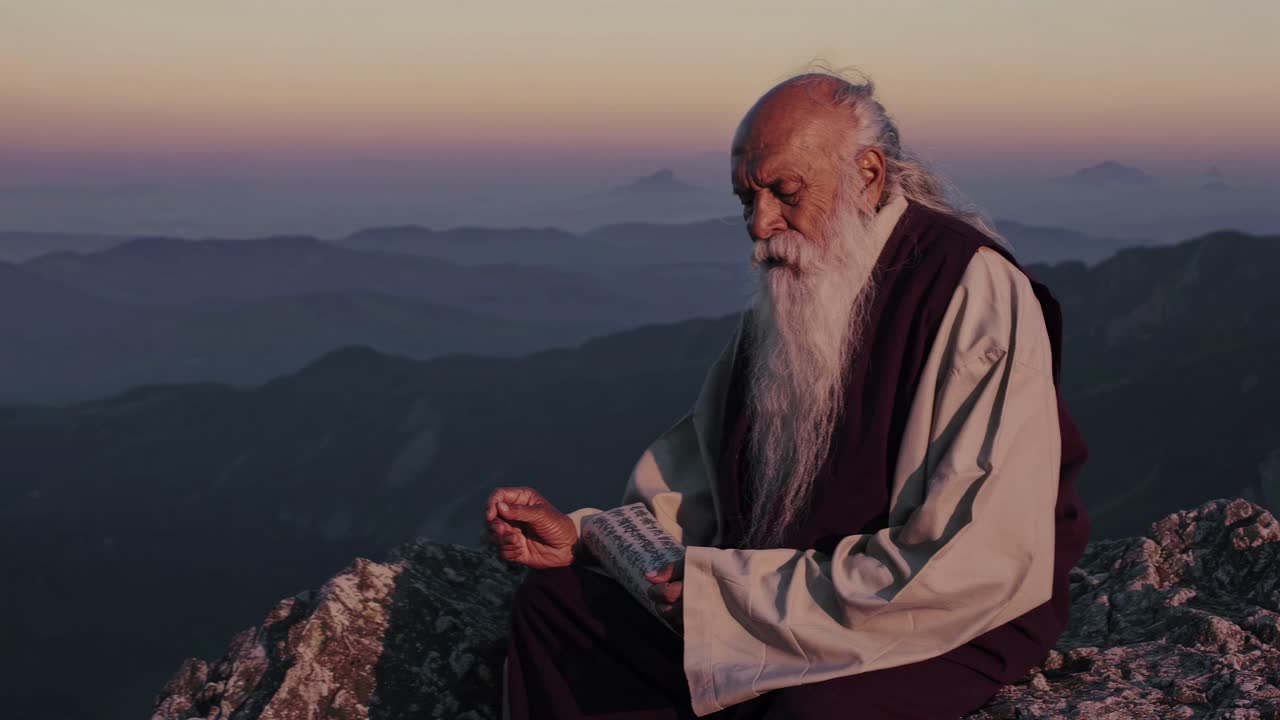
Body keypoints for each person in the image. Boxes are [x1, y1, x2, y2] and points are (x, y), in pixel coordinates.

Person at [483, 67, 1091, 719]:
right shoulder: (797, 295)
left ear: (868, 175)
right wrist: (583, 539)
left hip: (929, 615)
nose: (760, 223)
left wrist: (730, 603)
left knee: (810, 709)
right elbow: (702, 487)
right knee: (559, 611)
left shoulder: (970, 288)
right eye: (747, 199)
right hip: (771, 599)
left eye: (785, 191)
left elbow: (972, 555)